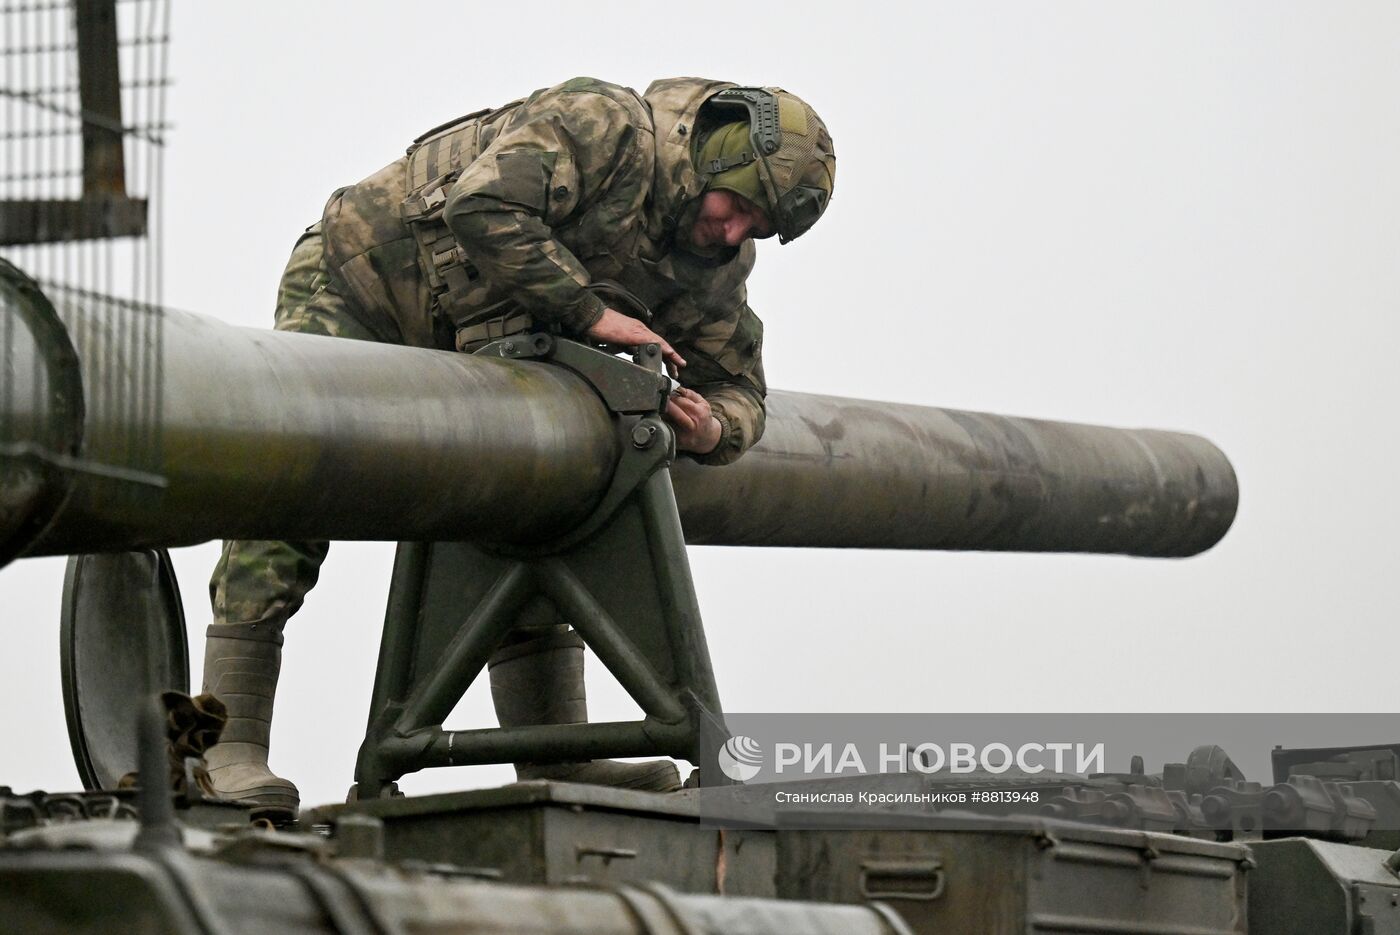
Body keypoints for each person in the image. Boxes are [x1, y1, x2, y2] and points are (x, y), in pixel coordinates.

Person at [204, 77, 837, 812]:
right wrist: (593, 313)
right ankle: (226, 744)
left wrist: (712, 427)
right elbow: (483, 206)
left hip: (485, 356)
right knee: (300, 470)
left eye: (756, 228)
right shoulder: (606, 128)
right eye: (739, 205)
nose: (734, 233)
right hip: (362, 289)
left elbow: (743, 390)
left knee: (541, 491)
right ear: (715, 154)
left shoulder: (711, 264)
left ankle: (556, 754)